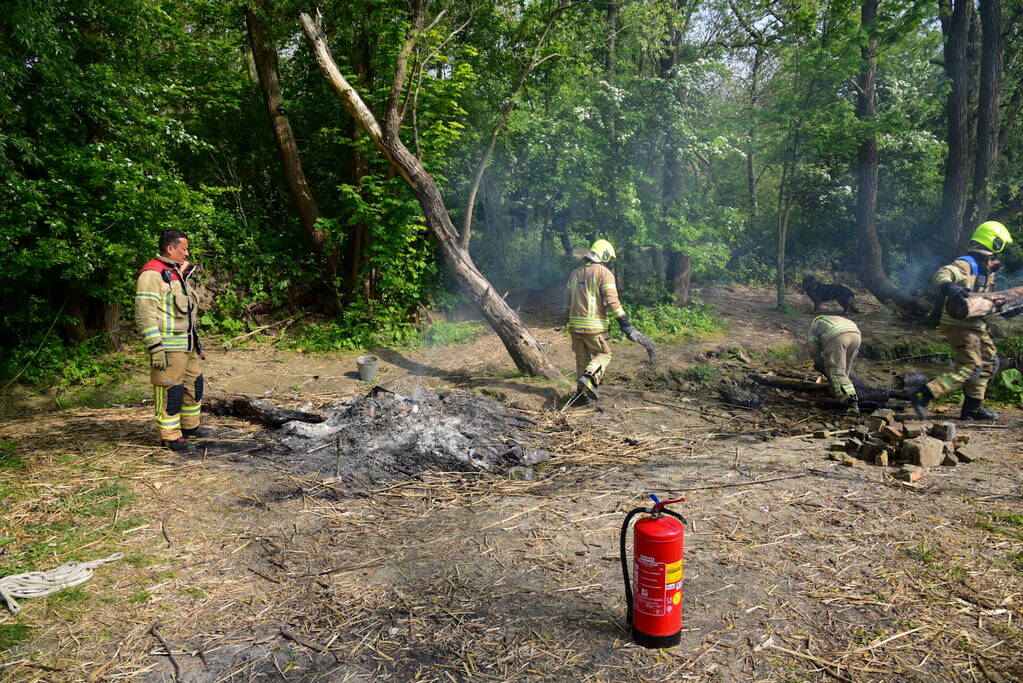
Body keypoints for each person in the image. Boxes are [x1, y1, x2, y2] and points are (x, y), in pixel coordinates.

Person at [912, 221, 1014, 421]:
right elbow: (941, 275)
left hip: (976, 325)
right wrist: (950, 287)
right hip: (959, 325)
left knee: (988, 362)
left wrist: (1007, 310)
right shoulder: (966, 264)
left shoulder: (986, 268)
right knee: (970, 368)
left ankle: (973, 408)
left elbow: (986, 300)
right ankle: (923, 394)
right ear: (995, 242)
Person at [135, 230, 213, 452]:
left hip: (188, 345)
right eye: (184, 249)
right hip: (168, 349)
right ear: (171, 249)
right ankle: (170, 436)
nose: (187, 253)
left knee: (193, 386)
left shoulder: (177, 272)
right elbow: (144, 314)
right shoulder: (152, 274)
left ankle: (190, 427)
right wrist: (155, 347)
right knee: (171, 392)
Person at [565, 239, 636, 403]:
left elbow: (567, 298)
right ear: (603, 255)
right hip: (594, 327)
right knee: (604, 354)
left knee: (581, 360)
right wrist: (623, 321)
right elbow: (612, 301)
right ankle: (589, 379)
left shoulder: (575, 273)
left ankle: (581, 396)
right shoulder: (604, 273)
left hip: (574, 325)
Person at [809, 315, 861, 413]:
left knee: (836, 371)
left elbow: (812, 346)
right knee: (844, 371)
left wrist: (818, 361)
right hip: (856, 337)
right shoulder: (835, 319)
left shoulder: (815, 324)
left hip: (838, 337)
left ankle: (850, 403)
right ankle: (837, 392)